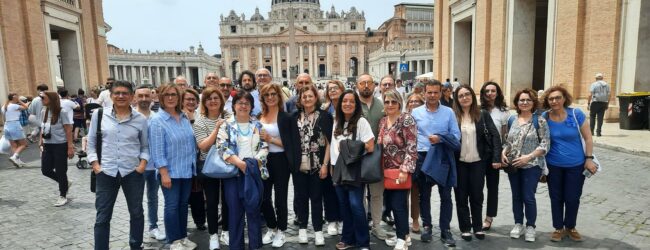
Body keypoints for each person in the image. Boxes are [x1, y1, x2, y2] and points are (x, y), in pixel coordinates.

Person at [87, 81, 149, 250]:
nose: (121, 96)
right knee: (102, 216)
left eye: (125, 93)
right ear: (111, 95)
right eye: (117, 93)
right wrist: (95, 165)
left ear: (131, 96)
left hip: (132, 172)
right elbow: (91, 143)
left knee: (136, 213)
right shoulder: (99, 115)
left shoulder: (140, 119)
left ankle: (136, 245)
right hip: (106, 172)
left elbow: (145, 146)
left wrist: (142, 164)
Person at [542, 86, 597, 242]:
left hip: (576, 165)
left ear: (564, 98)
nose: (554, 101)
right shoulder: (545, 117)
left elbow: (588, 138)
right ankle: (558, 228)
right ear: (547, 101)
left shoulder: (575, 114)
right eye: (551, 99)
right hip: (553, 165)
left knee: (573, 198)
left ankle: (570, 227)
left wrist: (589, 158)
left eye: (558, 97)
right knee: (556, 197)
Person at [410, 79, 460, 247]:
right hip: (423, 157)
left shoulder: (449, 112)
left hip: (443, 155)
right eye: (429, 92)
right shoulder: (415, 113)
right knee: (424, 195)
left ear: (441, 93)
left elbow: (456, 135)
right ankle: (427, 226)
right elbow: (410, 136)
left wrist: (440, 138)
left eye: (435, 92)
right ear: (424, 93)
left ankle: (445, 229)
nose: (432, 95)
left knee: (446, 195)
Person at [148, 84, 198, 249]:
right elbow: (157, 150)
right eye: (167, 95)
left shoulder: (183, 116)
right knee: (171, 206)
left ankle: (182, 236)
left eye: (174, 95)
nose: (170, 98)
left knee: (183, 206)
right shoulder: (157, 120)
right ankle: (173, 240)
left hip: (186, 170)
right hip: (170, 172)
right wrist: (163, 173)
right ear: (161, 98)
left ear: (179, 98)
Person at [218, 90, 268, 250]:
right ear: (233, 106)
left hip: (253, 171)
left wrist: (255, 162)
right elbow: (222, 147)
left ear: (251, 106)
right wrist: (240, 163)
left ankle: (255, 245)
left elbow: (264, 146)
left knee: (253, 210)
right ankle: (236, 246)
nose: (243, 106)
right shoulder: (226, 125)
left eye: (247, 103)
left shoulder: (257, 125)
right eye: (240, 103)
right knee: (235, 212)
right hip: (233, 173)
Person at [451, 85, 501, 241]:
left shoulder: (483, 114)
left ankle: (478, 227)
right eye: (461, 96)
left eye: (467, 94)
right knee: (461, 196)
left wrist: (496, 158)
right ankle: (465, 228)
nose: (465, 98)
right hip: (459, 163)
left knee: (477, 195)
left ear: (472, 96)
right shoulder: (452, 116)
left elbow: (495, 136)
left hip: (478, 162)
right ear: (457, 99)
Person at [502, 88, 550, 242]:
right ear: (517, 103)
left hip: (532, 165)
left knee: (528, 197)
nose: (524, 102)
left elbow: (545, 144)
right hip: (514, 165)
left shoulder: (539, 120)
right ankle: (518, 224)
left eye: (528, 100)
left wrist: (528, 157)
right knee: (516, 196)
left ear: (533, 102)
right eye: (521, 100)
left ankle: (530, 226)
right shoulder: (512, 120)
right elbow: (509, 142)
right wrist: (504, 151)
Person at [330, 90, 375, 250]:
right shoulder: (337, 122)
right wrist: (331, 166)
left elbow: (370, 146)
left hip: (354, 170)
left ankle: (363, 241)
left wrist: (351, 149)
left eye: (351, 101)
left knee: (356, 205)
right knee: (344, 205)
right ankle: (348, 238)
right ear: (340, 104)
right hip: (337, 169)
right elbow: (333, 147)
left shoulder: (361, 122)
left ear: (356, 105)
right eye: (344, 101)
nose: (347, 104)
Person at [290, 85, 332, 246]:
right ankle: (302, 229)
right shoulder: (293, 117)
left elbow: (329, 142)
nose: (307, 99)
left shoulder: (324, 116)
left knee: (316, 198)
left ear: (316, 97)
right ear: (299, 99)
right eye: (304, 96)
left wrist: (325, 164)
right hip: (299, 165)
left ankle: (318, 231)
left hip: (317, 164)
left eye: (310, 96)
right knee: (301, 198)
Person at [258, 83, 297, 248]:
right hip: (264, 160)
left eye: (273, 94)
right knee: (263, 197)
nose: (270, 97)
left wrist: (270, 139)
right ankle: (272, 226)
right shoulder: (259, 116)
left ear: (278, 96)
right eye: (267, 95)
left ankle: (281, 230)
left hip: (281, 160)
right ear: (263, 98)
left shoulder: (287, 117)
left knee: (280, 198)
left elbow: (292, 144)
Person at [378, 90, 417, 250]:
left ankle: (402, 239)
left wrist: (405, 169)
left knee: (398, 204)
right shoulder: (383, 121)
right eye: (387, 102)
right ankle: (405, 235)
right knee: (391, 204)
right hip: (385, 171)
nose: (390, 105)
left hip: (400, 171)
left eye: (393, 102)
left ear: (399, 103)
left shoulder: (406, 119)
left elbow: (412, 145)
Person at [193, 87, 231, 250]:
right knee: (212, 201)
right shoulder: (200, 121)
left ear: (221, 100)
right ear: (204, 102)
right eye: (209, 99)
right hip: (209, 165)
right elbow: (203, 146)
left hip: (229, 162)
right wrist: (217, 129)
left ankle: (227, 231)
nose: (213, 101)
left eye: (216, 98)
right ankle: (213, 235)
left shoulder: (229, 117)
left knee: (228, 201)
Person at [355, 74, 388, 240]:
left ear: (374, 86)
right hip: (357, 157)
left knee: (376, 194)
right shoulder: (352, 104)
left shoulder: (382, 105)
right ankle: (360, 226)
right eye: (362, 83)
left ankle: (376, 225)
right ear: (357, 85)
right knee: (359, 195)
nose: (366, 86)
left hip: (377, 157)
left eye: (369, 83)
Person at [133, 86, 166, 242]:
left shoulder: (157, 117)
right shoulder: (130, 116)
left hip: (154, 164)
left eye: (147, 96)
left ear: (152, 98)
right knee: (136, 199)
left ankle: (153, 226)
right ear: (135, 97)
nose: (144, 99)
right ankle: (136, 229)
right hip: (136, 165)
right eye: (141, 96)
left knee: (153, 197)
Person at [478, 81, 510, 231]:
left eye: (493, 91)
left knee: (492, 187)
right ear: (483, 93)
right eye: (487, 91)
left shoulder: (503, 111)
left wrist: (501, 154)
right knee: (477, 187)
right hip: (479, 153)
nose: (490, 93)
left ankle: (489, 216)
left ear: (498, 93)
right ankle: (477, 214)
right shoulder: (478, 110)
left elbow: (504, 135)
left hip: (494, 153)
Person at [37, 92, 73, 207]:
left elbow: (68, 129)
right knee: (45, 170)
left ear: (51, 99)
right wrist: (41, 139)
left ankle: (63, 195)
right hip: (48, 145)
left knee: (61, 171)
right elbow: (43, 127)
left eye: (43, 97)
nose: (41, 99)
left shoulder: (62, 112)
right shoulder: (44, 111)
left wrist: (70, 147)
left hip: (60, 145)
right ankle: (65, 183)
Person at [320, 79, 345, 236]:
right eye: (330, 89)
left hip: (345, 154)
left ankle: (343, 219)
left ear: (342, 89)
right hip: (328, 153)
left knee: (343, 189)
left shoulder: (348, 105)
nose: (333, 91)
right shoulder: (324, 109)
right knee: (329, 189)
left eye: (336, 88)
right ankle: (331, 219)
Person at [3, 93, 30, 167]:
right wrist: (20, 101)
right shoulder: (14, 106)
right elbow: (26, 107)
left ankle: (17, 161)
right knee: (24, 144)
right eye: (17, 97)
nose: (18, 98)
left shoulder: (4, 106)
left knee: (13, 145)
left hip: (7, 126)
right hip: (15, 125)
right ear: (14, 98)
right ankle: (14, 157)